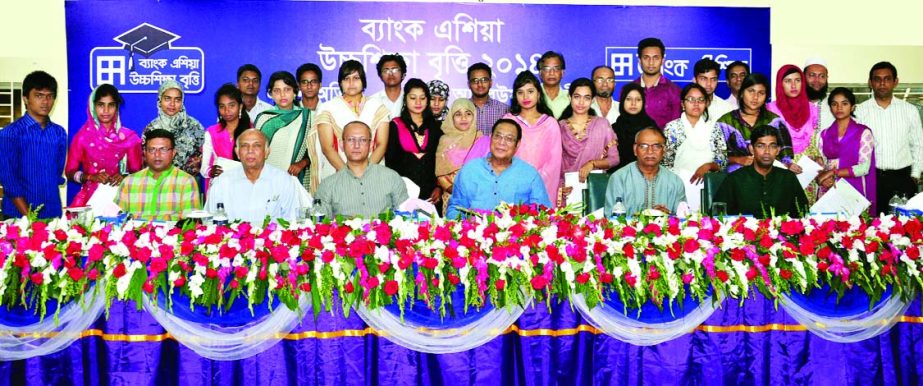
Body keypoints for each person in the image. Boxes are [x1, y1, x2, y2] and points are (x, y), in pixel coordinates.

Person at [308, 60, 390, 193]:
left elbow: (382, 144)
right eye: (346, 79)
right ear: (340, 82)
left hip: (373, 174)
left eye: (356, 78)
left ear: (363, 81)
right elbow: (327, 148)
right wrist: (349, 177)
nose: (351, 83)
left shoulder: (377, 106)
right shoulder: (328, 108)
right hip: (338, 175)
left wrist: (366, 173)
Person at [446, 119, 550, 219]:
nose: (502, 142)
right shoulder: (470, 170)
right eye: (498, 136)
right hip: (474, 234)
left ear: (517, 144)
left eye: (509, 139)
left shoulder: (530, 174)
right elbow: (455, 208)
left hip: (515, 235)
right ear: (491, 137)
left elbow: (543, 212)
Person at [857, 61, 923, 214]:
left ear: (895, 82)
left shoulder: (909, 110)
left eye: (887, 79)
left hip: (903, 178)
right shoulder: (860, 112)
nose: (882, 83)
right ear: (870, 82)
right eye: (877, 79)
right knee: (873, 228)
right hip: (872, 178)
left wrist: (914, 175)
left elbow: (919, 144)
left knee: (904, 229)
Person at [0, 71, 67, 219]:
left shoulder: (59, 133)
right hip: (18, 217)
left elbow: (57, 172)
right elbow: (8, 180)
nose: (45, 101)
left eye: (49, 96)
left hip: (52, 214)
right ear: (25, 98)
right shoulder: (10, 133)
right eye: (39, 96)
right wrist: (30, 218)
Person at [65, 84, 142, 207]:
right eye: (101, 105)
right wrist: (91, 177)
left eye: (111, 105)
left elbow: (138, 173)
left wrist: (124, 176)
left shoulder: (129, 138)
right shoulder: (82, 138)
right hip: (89, 201)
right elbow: (69, 173)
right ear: (93, 107)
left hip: (122, 200)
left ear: (116, 108)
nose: (106, 110)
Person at [206, 129, 303, 223]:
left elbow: (292, 220)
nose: (250, 150)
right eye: (244, 146)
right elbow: (210, 221)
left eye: (257, 146)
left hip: (273, 238)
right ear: (237, 153)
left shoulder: (282, 180)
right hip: (233, 238)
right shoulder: (222, 182)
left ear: (267, 152)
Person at [315, 121, 408, 218]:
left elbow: (406, 218)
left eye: (363, 140)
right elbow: (320, 226)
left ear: (371, 145)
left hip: (386, 233)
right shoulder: (328, 185)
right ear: (342, 145)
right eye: (351, 140)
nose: (356, 145)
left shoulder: (391, 177)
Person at [714, 125, 808, 218]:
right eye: (761, 146)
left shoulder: (788, 178)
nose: (767, 151)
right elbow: (718, 217)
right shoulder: (734, 179)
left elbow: (803, 214)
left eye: (772, 146)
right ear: (752, 149)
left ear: (778, 150)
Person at [502, 71, 562, 203]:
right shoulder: (508, 121)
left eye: (530, 91)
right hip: (512, 183)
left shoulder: (549, 123)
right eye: (520, 92)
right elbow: (500, 153)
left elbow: (554, 161)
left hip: (542, 184)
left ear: (539, 94)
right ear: (515, 96)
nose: (525, 96)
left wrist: (534, 180)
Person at [716, 73, 795, 172]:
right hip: (735, 180)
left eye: (761, 93)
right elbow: (716, 158)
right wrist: (738, 160)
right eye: (751, 91)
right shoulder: (725, 122)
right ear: (741, 93)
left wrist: (789, 165)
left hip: (769, 180)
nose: (755, 97)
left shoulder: (775, 121)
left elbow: (785, 156)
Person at [815, 87, 877, 214]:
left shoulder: (863, 133)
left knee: (853, 229)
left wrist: (833, 172)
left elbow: (863, 168)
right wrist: (823, 177)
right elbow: (820, 166)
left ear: (853, 107)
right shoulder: (824, 134)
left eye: (844, 103)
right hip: (829, 189)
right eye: (834, 104)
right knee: (827, 229)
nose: (839, 108)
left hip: (854, 189)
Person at [117, 129, 200, 221]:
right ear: (144, 153)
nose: (157, 154)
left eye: (163, 149)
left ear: (173, 153)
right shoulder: (129, 182)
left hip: (172, 233)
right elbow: (117, 218)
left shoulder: (186, 181)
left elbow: (190, 223)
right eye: (152, 149)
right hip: (134, 233)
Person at [558, 78, 620, 201]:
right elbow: (554, 165)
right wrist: (559, 187)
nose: (581, 102)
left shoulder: (602, 124)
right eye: (577, 97)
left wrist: (592, 164)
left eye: (586, 98)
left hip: (594, 190)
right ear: (570, 98)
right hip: (567, 190)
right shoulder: (559, 127)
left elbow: (614, 159)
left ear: (592, 100)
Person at [385, 78, 443, 206]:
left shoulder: (436, 128)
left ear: (427, 100)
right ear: (405, 99)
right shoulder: (395, 126)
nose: (418, 102)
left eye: (422, 98)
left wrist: (439, 187)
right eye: (413, 98)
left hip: (431, 196)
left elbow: (441, 163)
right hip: (402, 195)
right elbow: (390, 163)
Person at [604, 127, 685, 216]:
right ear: (635, 150)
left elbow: (683, 218)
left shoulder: (675, 182)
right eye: (643, 146)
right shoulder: (619, 178)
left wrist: (668, 215)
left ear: (664, 150)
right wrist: (641, 217)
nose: (650, 151)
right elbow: (610, 219)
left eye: (656, 146)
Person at [253, 71, 311, 189]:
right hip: (268, 180)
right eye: (277, 90)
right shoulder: (264, 119)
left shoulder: (307, 117)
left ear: (295, 92)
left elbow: (315, 152)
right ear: (271, 94)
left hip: (296, 179)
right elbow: (256, 152)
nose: (282, 95)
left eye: (287, 89)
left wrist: (302, 163)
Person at [662, 83, 728, 183]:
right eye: (691, 99)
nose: (696, 103)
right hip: (677, 183)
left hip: (707, 183)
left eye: (701, 100)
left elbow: (722, 162)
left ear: (706, 104)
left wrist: (709, 166)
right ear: (683, 104)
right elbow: (665, 163)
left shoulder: (714, 128)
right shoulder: (672, 128)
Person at [144, 80, 205, 177]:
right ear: (160, 100)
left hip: (186, 183)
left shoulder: (194, 127)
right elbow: (146, 160)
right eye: (167, 99)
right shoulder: (151, 128)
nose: (172, 104)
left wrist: (177, 178)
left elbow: (200, 160)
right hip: (157, 182)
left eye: (177, 100)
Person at [201, 84, 251, 191]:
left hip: (245, 187)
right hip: (219, 187)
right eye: (222, 106)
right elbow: (203, 168)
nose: (226, 110)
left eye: (231, 105)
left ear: (240, 106)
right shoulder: (211, 132)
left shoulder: (251, 131)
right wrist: (211, 171)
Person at [435, 99, 481, 214]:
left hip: (477, 193)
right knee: (452, 229)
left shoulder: (481, 139)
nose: (463, 118)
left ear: (474, 116)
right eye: (458, 114)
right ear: (451, 118)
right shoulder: (444, 141)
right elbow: (440, 173)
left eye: (468, 113)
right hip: (451, 194)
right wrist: (454, 190)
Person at [766, 65, 820, 161]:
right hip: (781, 165)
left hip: (807, 165)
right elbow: (767, 144)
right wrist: (786, 163)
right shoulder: (770, 110)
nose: (793, 85)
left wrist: (817, 157)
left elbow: (812, 142)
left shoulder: (812, 109)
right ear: (780, 84)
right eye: (788, 81)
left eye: (798, 80)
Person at [633, 37, 681, 128]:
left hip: (663, 142)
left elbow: (676, 128)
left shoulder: (674, 91)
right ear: (639, 61)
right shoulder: (629, 89)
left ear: (663, 61)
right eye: (646, 58)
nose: (651, 62)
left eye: (656, 58)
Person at [610, 83, 657, 172]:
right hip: (618, 177)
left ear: (643, 102)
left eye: (638, 99)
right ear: (622, 101)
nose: (633, 103)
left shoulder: (651, 127)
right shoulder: (614, 128)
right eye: (628, 99)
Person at [467, 62, 510, 136]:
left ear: (491, 83)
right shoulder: (460, 109)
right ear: (469, 85)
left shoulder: (504, 110)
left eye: (484, 80)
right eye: (475, 81)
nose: (480, 84)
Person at [803, 56, 835, 132]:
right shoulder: (793, 105)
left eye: (822, 76)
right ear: (803, 77)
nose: (817, 80)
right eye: (812, 75)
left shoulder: (834, 106)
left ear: (827, 78)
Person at [370, 53, 406, 119]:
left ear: (403, 75)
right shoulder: (373, 101)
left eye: (395, 70)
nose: (390, 74)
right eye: (386, 70)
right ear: (380, 76)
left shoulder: (410, 98)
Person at [538, 51, 569, 119]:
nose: (551, 73)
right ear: (540, 73)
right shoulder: (533, 95)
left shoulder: (570, 97)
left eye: (556, 69)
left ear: (562, 73)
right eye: (547, 69)